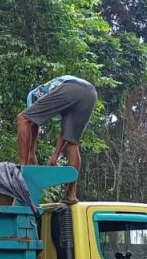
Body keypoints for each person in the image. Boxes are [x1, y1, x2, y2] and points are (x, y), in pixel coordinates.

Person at [16, 75, 97, 204]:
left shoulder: (33, 96)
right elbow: (65, 132)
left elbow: (30, 122)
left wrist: (30, 154)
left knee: (22, 118)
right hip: (90, 93)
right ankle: (71, 194)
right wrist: (55, 155)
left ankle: (22, 168)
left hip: (71, 87)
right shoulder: (60, 99)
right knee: (72, 143)